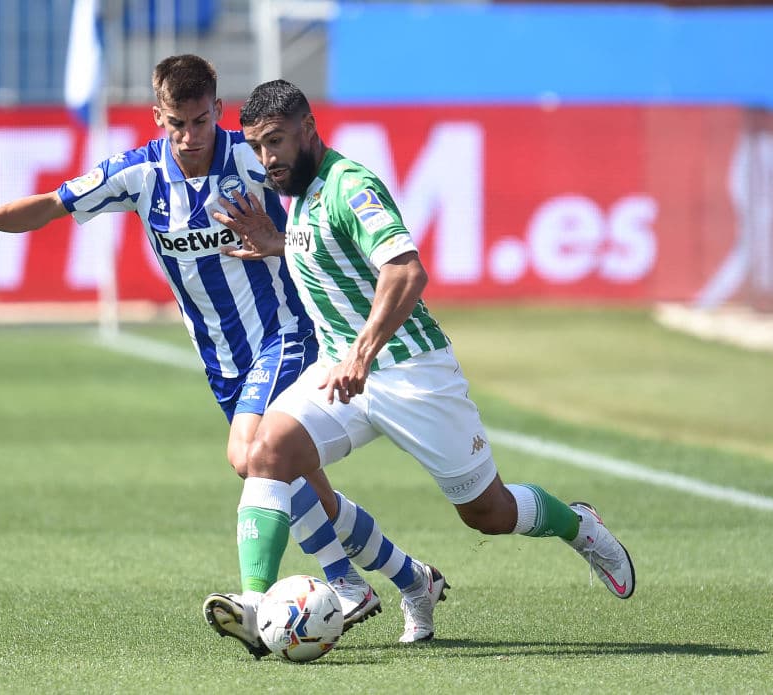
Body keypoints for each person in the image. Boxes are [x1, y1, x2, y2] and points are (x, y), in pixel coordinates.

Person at [0, 55, 447, 657]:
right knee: (290, 476)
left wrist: (285, 249)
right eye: (176, 124)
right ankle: (408, 578)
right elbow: (54, 203)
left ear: (217, 110)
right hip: (223, 360)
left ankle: (298, 592)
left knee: (248, 456)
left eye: (199, 121)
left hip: (285, 334)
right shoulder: (139, 173)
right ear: (157, 117)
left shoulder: (255, 159)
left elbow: (322, 215)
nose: (189, 137)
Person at [203, 78, 637, 657]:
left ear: (309, 128)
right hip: (342, 376)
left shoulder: (350, 185)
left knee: (488, 512)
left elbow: (405, 271)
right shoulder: (302, 197)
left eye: (276, 142)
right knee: (268, 452)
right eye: (258, 147)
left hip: (411, 374)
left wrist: (363, 352)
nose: (268, 159)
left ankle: (577, 525)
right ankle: (255, 606)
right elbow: (329, 254)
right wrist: (280, 243)